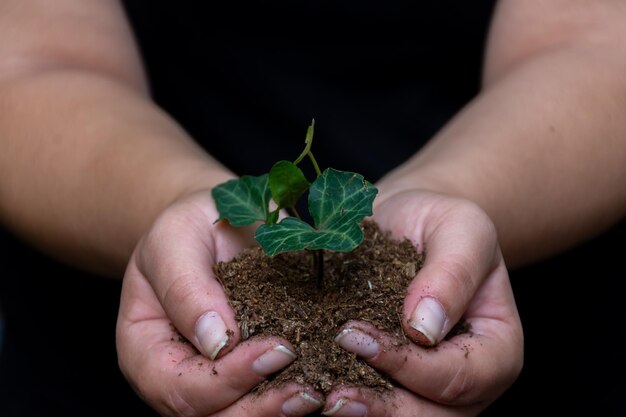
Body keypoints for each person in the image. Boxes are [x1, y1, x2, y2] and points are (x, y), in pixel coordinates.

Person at [0, 1, 624, 416]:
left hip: (536, 307)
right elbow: (29, 64)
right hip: (96, 348)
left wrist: (457, 199)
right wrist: (172, 206)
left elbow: (597, 46)